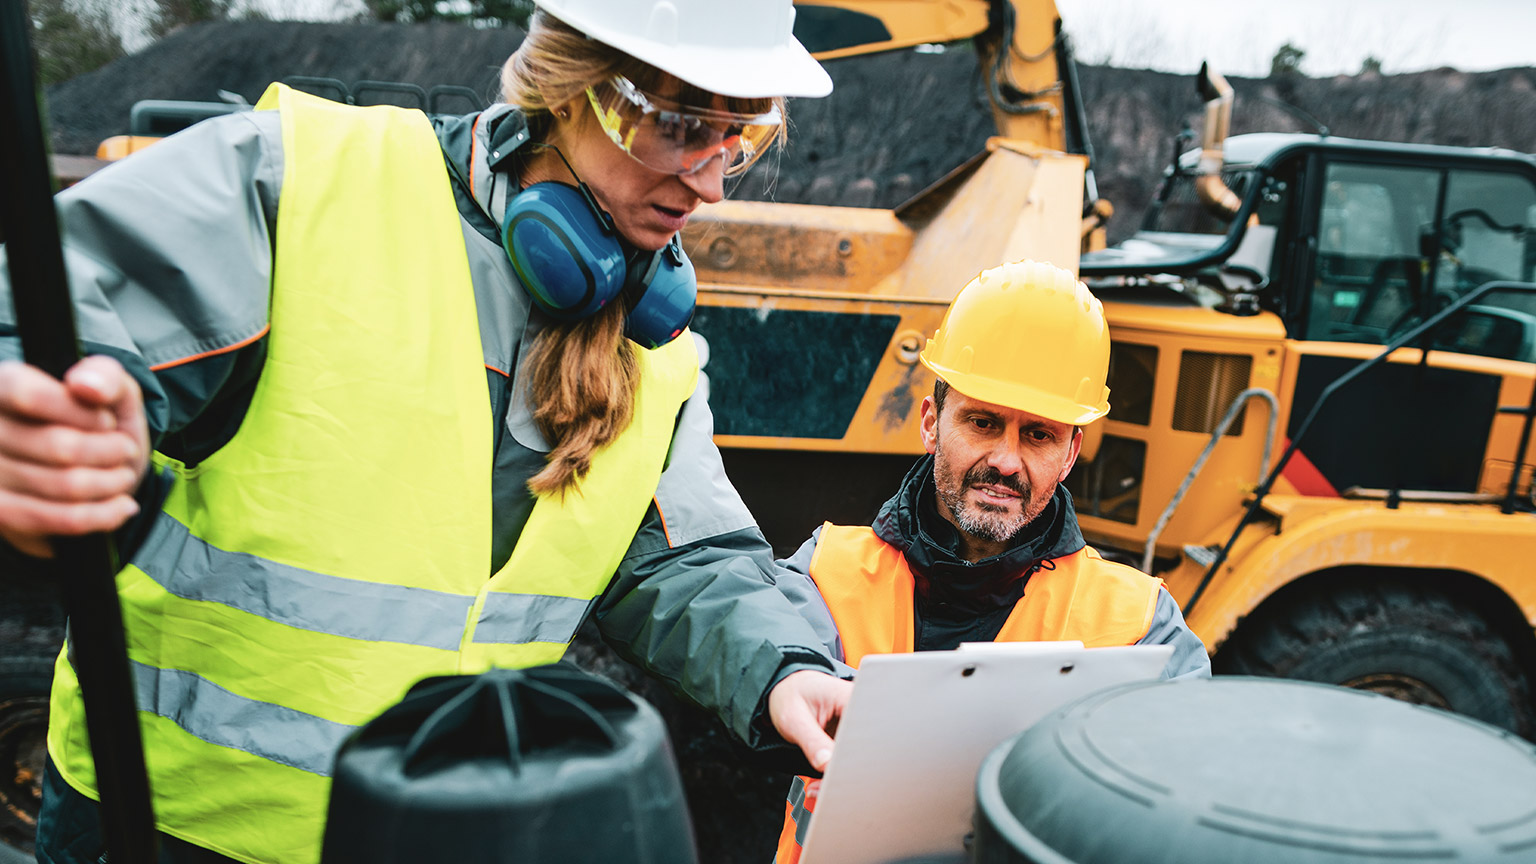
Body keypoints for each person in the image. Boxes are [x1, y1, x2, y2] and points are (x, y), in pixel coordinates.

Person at [0, 1, 853, 861]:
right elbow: (39, 306)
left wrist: (787, 668)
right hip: (170, 829)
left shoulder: (654, 347)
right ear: (568, 86)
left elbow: (689, 560)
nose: (709, 183)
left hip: (436, 834)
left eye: (738, 140)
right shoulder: (301, 185)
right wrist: (35, 413)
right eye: (679, 126)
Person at [770, 259, 1211, 864]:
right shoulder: (824, 575)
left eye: (1038, 435)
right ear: (932, 423)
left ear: (1070, 453)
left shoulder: (1140, 626)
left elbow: (1182, 802)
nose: (1006, 460)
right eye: (983, 422)